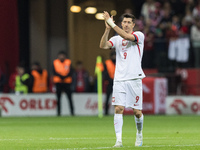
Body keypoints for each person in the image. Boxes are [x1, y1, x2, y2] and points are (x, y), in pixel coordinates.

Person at [100, 11, 145, 147]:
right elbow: (103, 45)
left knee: (137, 112)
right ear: (121, 23)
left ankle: (139, 133)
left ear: (133, 24)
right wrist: (107, 30)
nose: (125, 25)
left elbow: (126, 36)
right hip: (119, 79)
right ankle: (118, 140)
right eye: (124, 22)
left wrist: (111, 23)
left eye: (128, 22)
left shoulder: (139, 35)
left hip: (134, 79)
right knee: (118, 108)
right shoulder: (116, 39)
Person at [53, 51, 74, 116]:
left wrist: (64, 77)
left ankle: (72, 112)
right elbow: (54, 72)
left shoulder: (68, 62)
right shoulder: (55, 62)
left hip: (67, 82)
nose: (61, 57)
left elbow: (71, 71)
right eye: (60, 55)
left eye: (63, 55)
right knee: (58, 98)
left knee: (69, 98)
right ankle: (58, 113)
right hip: (58, 83)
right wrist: (61, 76)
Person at [103, 51, 116, 115]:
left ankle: (118, 111)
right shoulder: (107, 63)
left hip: (117, 82)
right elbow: (105, 72)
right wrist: (108, 80)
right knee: (107, 98)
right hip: (109, 82)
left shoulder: (119, 62)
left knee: (118, 98)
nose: (114, 57)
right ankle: (106, 112)